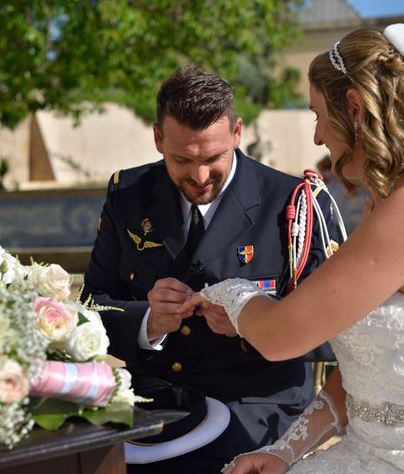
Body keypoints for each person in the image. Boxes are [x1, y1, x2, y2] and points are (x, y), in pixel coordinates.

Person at [179, 24, 404, 473]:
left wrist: (228, 291)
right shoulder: (392, 202)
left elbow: (281, 336)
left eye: (318, 114)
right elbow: (367, 372)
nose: (318, 137)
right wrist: (284, 450)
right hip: (369, 452)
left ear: (354, 107)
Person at [81, 65, 342, 473]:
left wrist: (255, 323)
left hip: (256, 414)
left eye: (214, 157)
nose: (199, 176)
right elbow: (91, 308)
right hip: (154, 410)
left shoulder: (293, 204)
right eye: (181, 159)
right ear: (157, 138)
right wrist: (148, 321)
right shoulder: (127, 195)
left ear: (237, 133)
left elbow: (335, 334)